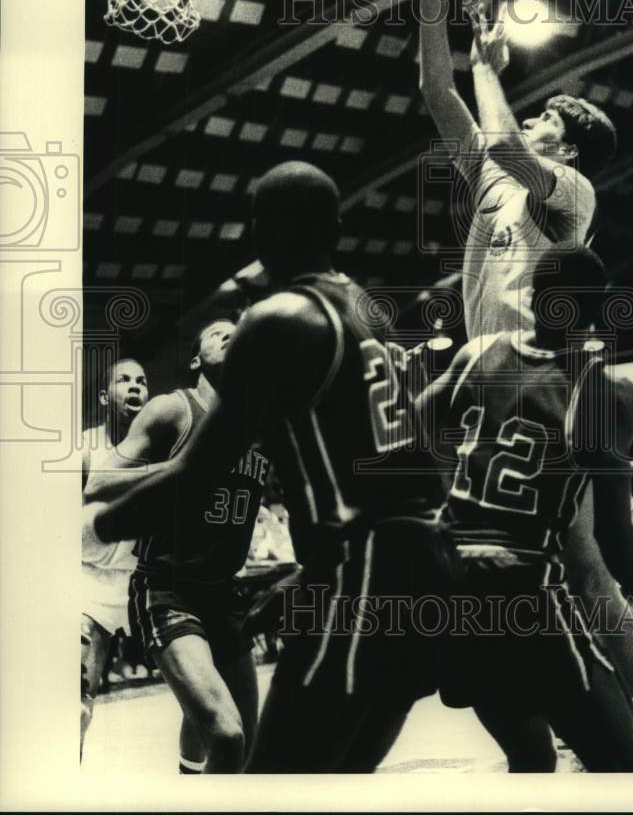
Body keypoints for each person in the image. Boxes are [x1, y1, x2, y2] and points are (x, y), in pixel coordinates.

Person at [408, 0, 633, 769]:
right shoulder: (498, 174)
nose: (529, 119)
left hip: (548, 367)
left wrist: (491, 67)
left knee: (584, 557)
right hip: (489, 369)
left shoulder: (568, 189)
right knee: (512, 559)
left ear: (562, 141)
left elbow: (501, 140)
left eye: (543, 118)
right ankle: (539, 717)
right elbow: (433, 92)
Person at [83, 161, 458, 773]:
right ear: (337, 227)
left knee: (270, 781)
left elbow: (193, 477)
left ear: (259, 230)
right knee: (332, 780)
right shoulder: (369, 310)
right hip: (429, 570)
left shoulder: (282, 317)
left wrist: (97, 524)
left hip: (360, 574)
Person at [419, 245, 633, 771]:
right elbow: (615, 534)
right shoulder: (605, 393)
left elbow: (404, 432)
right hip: (524, 589)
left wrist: (449, 494)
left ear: (532, 296)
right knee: (625, 770)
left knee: (530, 759)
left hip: (453, 590)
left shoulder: (475, 352)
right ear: (600, 306)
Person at [84, 318, 268, 774]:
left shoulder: (261, 425)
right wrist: (183, 469)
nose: (230, 335)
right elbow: (100, 482)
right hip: (169, 588)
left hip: (226, 594)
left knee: (243, 741)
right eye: (215, 333)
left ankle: (188, 784)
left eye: (238, 331)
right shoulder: (174, 409)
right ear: (194, 358)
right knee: (227, 734)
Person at [81, 357, 149, 759]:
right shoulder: (85, 450)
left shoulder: (167, 446)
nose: (135, 386)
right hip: (89, 582)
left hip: (145, 583)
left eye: (142, 380)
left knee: (202, 699)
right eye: (124, 380)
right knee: (74, 702)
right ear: (106, 396)